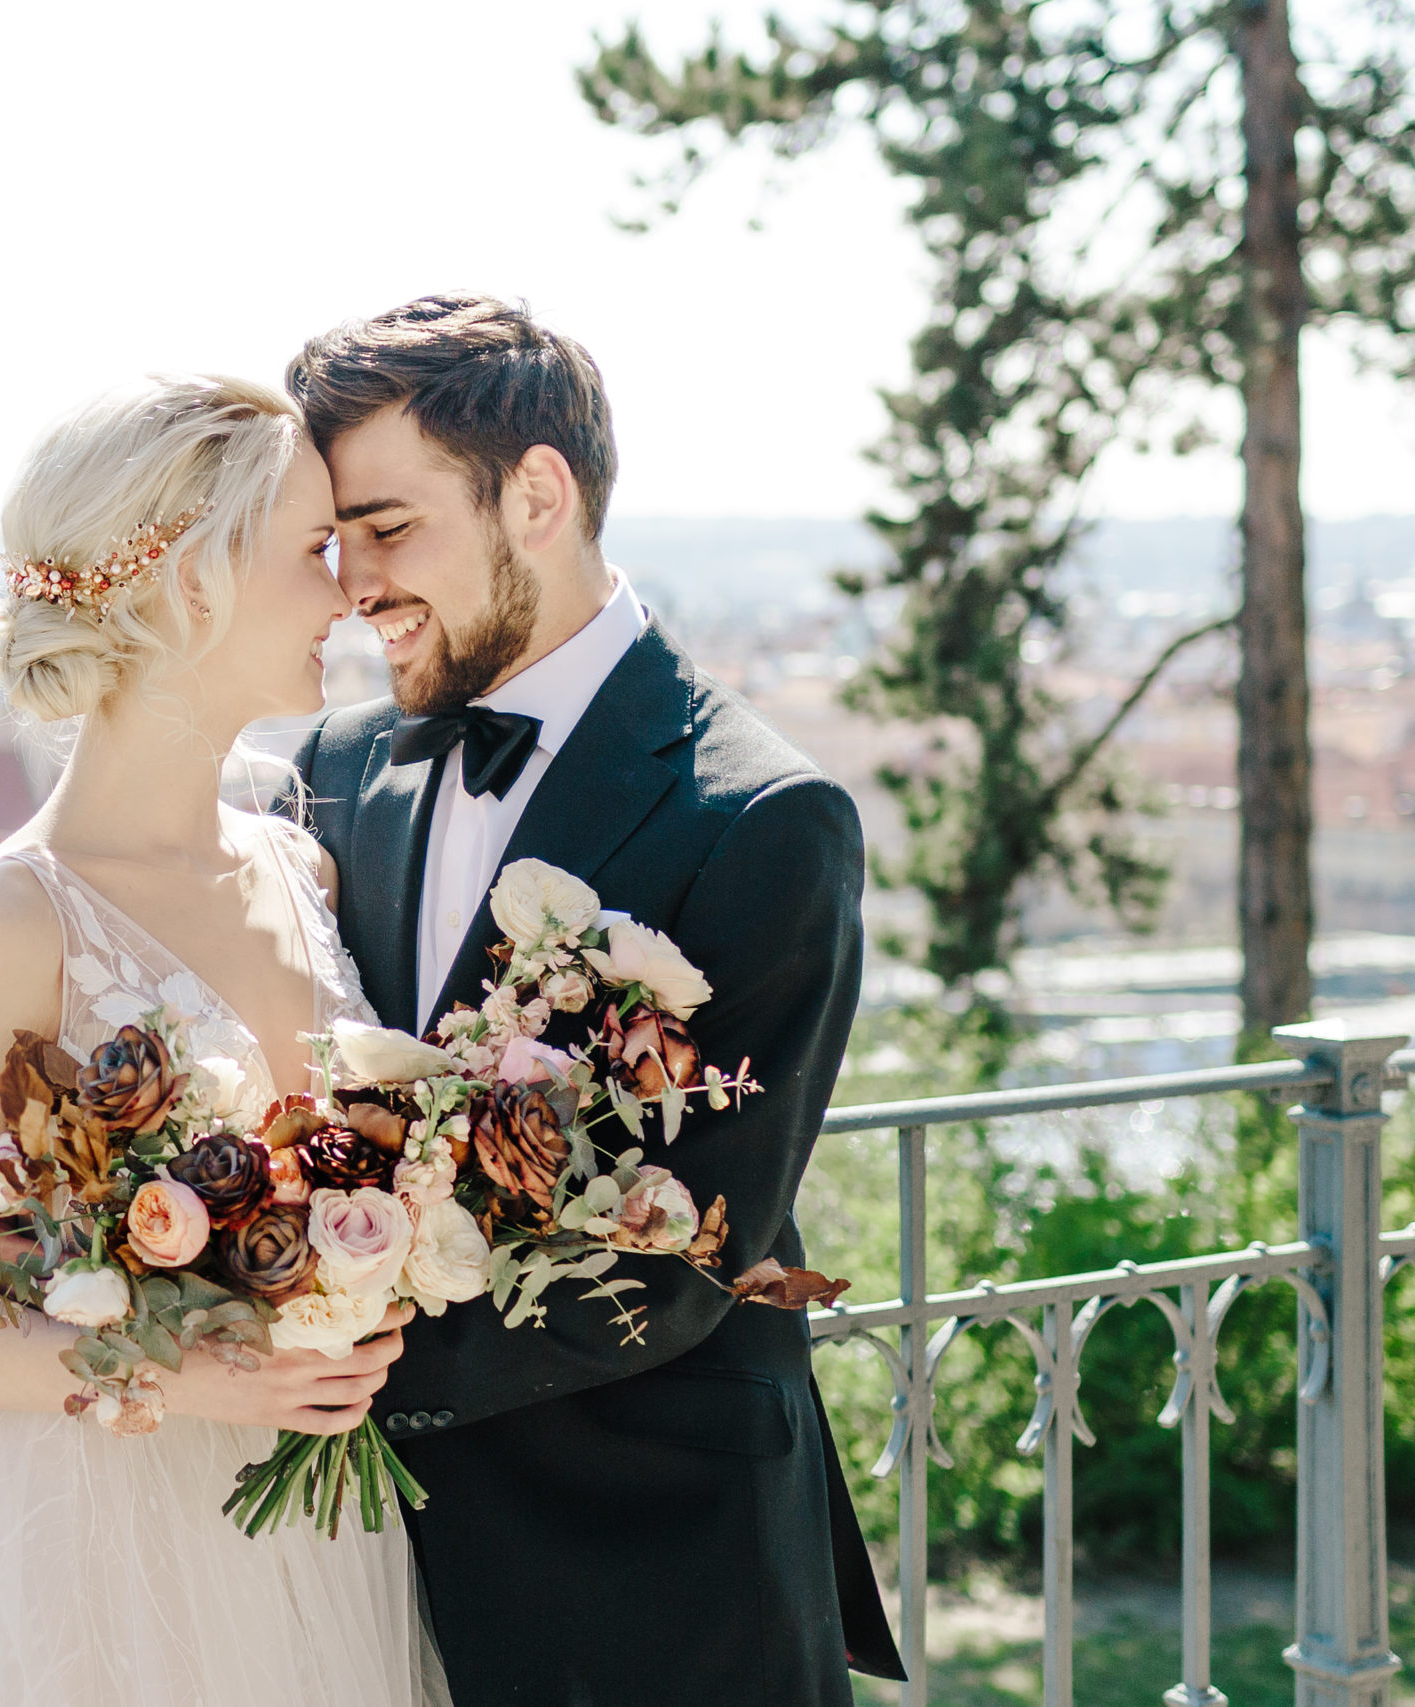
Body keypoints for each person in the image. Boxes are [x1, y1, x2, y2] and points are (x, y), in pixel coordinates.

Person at [284, 293, 905, 1706]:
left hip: (653, 1575)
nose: (353, 586)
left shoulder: (761, 816)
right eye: (333, 544)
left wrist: (310, 1361)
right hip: (358, 1578)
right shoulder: (331, 766)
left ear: (539, 494)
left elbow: (686, 1250)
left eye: (388, 529)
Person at [0, 375, 444, 1707]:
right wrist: (193, 1376)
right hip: (83, 1551)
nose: (344, 589)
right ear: (191, 584)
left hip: (312, 1534)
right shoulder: (9, 923)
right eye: (309, 548)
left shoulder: (301, 863)